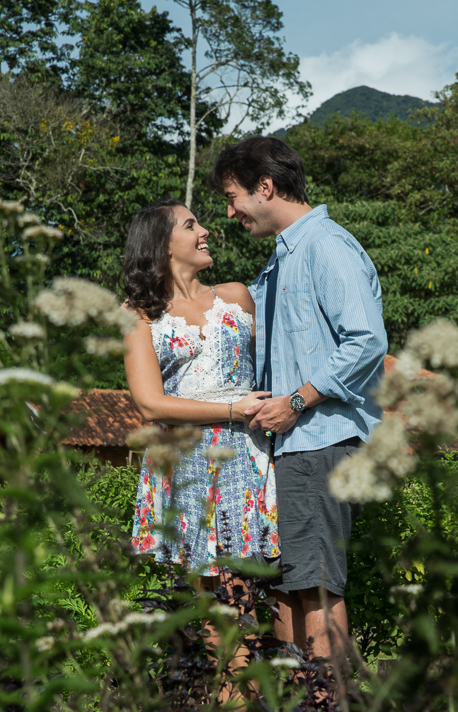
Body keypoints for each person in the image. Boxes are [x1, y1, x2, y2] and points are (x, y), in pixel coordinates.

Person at [209, 137, 388, 664]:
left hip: (319, 438)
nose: (229, 211)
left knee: (318, 588)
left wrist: (298, 399)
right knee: (290, 584)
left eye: (233, 196)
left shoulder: (325, 246)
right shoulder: (283, 258)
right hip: (293, 445)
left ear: (265, 187)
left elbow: (367, 340)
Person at [122, 196, 279, 581]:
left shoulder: (237, 295)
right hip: (187, 459)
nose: (205, 231)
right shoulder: (138, 315)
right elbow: (150, 404)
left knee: (251, 588)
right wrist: (231, 410)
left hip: (247, 451)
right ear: (162, 244)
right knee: (209, 598)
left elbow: (271, 368)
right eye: (190, 226)